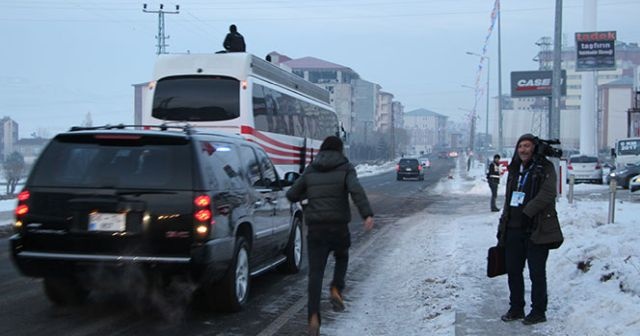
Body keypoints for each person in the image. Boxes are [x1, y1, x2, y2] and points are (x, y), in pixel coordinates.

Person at [286, 136, 374, 336]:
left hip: (316, 229)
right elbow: (356, 191)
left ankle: (313, 317)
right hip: (338, 226)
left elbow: (292, 194)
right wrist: (366, 214)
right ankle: (336, 287)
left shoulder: (311, 169)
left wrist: (306, 201)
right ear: (340, 150)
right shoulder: (345, 167)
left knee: (315, 273)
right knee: (342, 256)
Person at [496, 133, 564, 325]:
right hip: (513, 229)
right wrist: (503, 225)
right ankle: (516, 308)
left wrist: (528, 212)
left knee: (536, 273)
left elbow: (548, 193)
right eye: (520, 146)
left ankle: (538, 311)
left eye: (526, 146)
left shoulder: (545, 168)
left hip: (537, 229)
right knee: (513, 271)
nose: (523, 150)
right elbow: (509, 200)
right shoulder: (515, 169)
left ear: (534, 148)